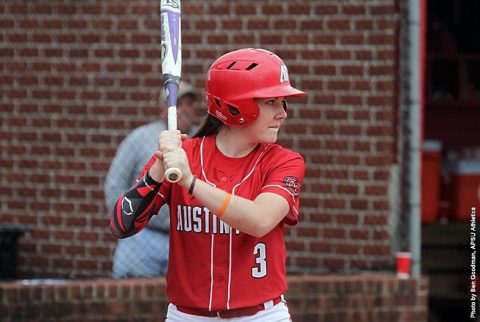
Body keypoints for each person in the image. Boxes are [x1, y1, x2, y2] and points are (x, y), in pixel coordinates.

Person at [109, 48, 306, 321]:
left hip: (261, 315)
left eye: (283, 102)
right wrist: (157, 170)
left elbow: (260, 220)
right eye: (272, 102)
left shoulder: (284, 162)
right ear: (237, 105)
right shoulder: (183, 155)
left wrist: (191, 183)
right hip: (188, 316)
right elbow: (122, 224)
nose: (282, 113)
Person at [105, 81, 199, 278]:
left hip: (185, 237)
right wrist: (127, 221)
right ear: (163, 109)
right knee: (131, 299)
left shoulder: (200, 140)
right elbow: (115, 185)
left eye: (189, 104)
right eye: (178, 104)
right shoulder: (140, 138)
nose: (185, 110)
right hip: (143, 236)